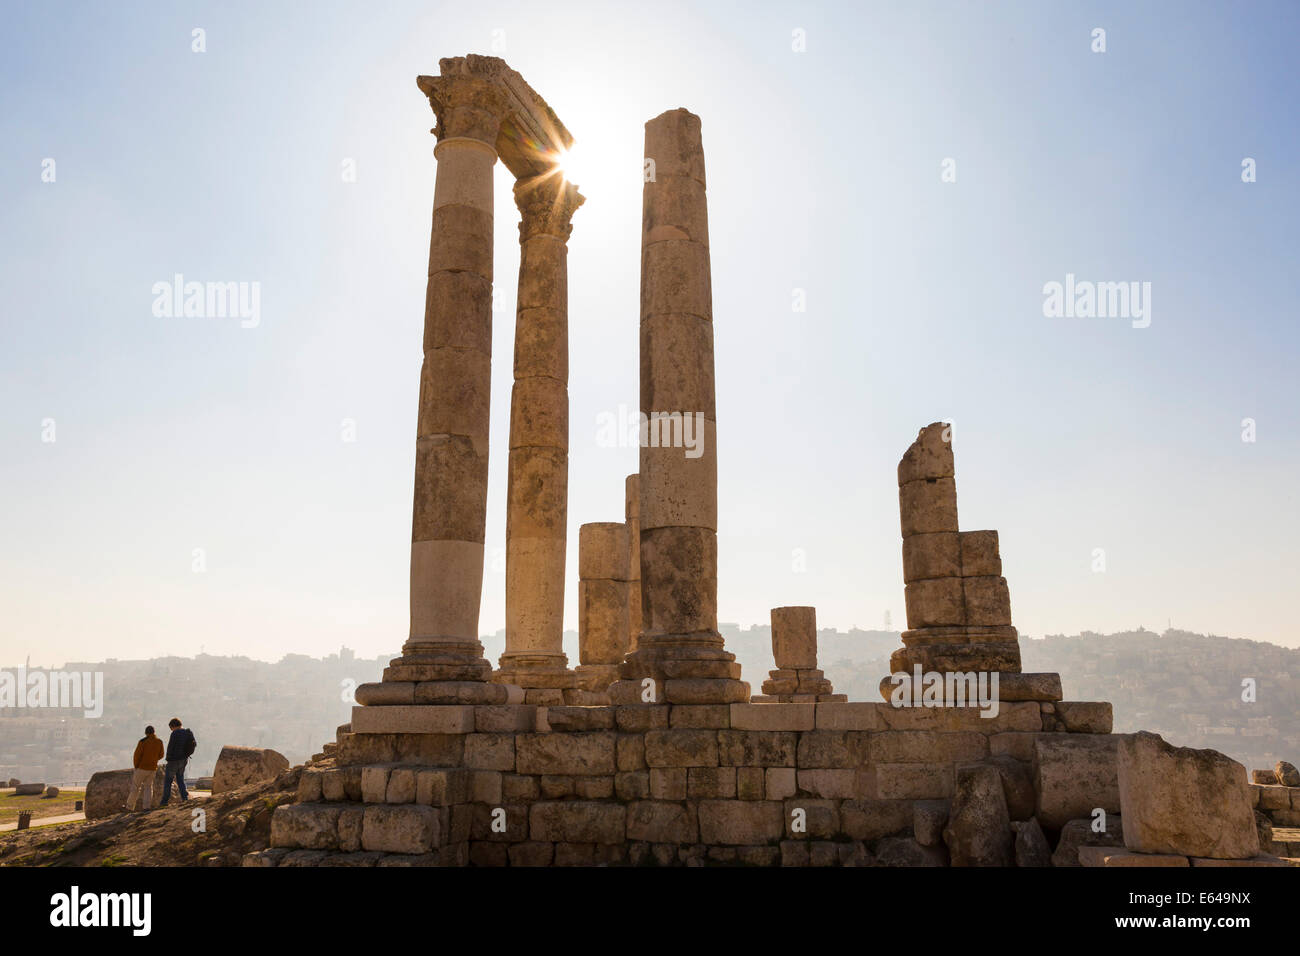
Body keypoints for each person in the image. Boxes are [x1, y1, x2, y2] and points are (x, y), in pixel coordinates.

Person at [159, 717, 197, 806]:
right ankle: (185, 798)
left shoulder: (175, 733)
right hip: (184, 760)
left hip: (173, 761)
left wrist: (168, 758)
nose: (171, 730)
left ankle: (164, 802)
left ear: (174, 726)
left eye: (171, 728)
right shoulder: (188, 732)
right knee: (180, 779)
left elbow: (170, 747)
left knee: (168, 781)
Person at [126, 725, 164, 811]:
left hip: (141, 768)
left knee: (135, 787)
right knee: (148, 787)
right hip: (152, 768)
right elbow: (161, 755)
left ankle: (129, 806)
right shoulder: (159, 742)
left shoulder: (142, 742)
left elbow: (137, 756)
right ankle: (146, 807)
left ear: (146, 733)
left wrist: (136, 766)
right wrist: (154, 760)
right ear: (154, 732)